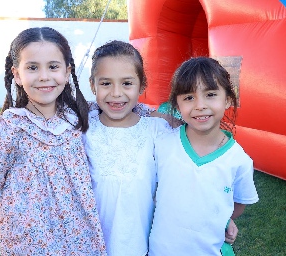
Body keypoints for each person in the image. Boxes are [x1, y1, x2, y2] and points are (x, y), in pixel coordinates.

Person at [83, 41, 238, 256]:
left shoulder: (158, 129)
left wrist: (221, 216)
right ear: (93, 85)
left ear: (142, 85)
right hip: (89, 245)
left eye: (127, 83)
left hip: (143, 245)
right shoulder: (81, 130)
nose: (116, 93)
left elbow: (189, 177)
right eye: (106, 83)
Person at [0, 27, 106, 255]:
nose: (44, 76)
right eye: (33, 67)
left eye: (53, 67)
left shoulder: (80, 118)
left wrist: (162, 113)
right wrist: (21, 214)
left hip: (79, 237)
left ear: (67, 73)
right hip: (28, 241)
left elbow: (122, 110)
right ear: (17, 74)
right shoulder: (7, 129)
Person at [148, 57, 259, 256]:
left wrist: (223, 218)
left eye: (210, 94)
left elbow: (239, 202)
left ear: (227, 100)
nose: (200, 105)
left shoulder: (238, 160)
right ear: (177, 105)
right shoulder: (162, 144)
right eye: (189, 97)